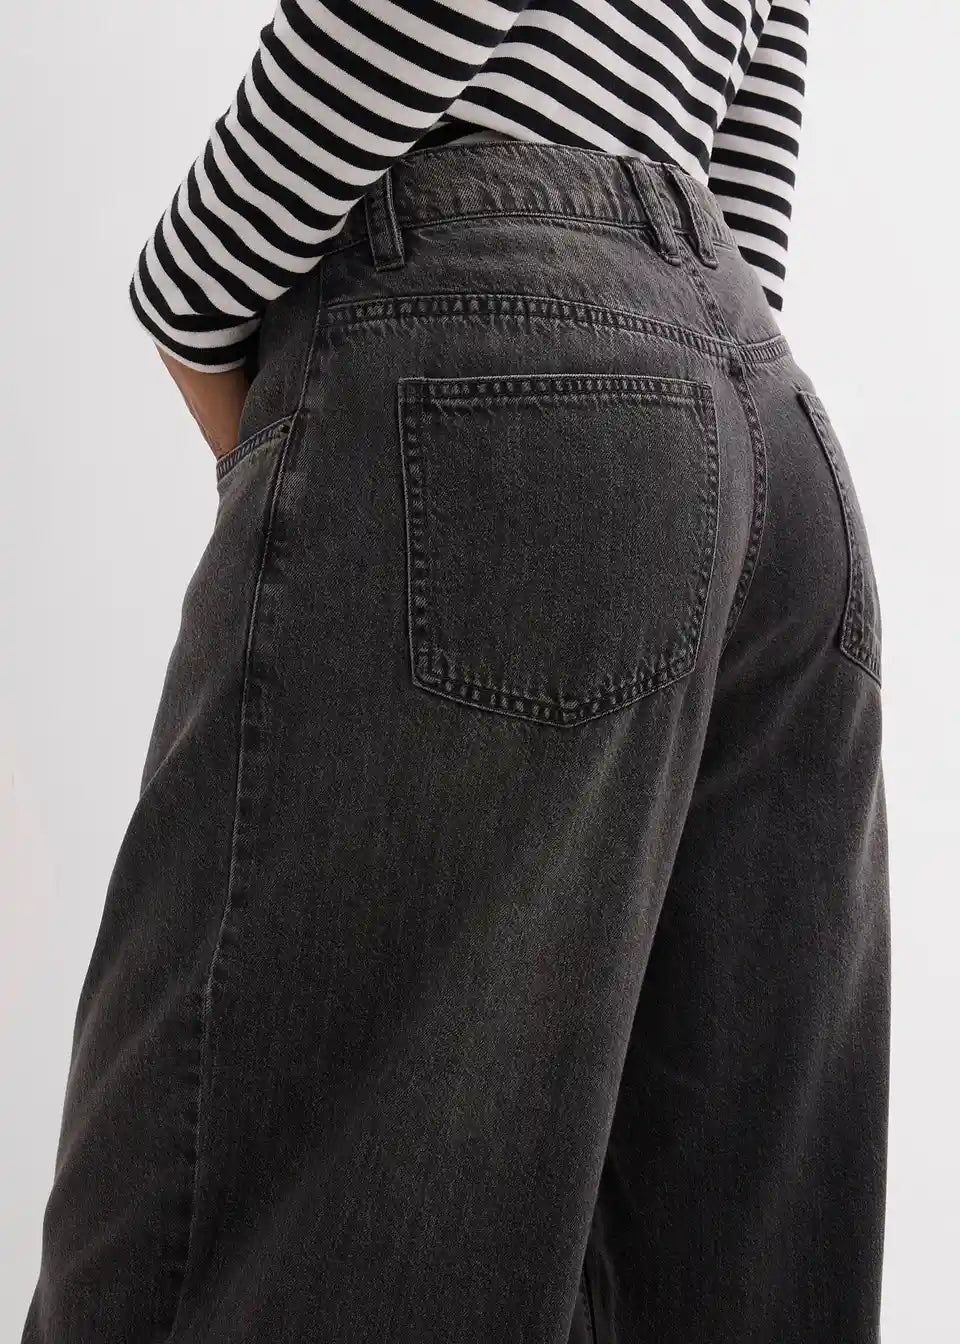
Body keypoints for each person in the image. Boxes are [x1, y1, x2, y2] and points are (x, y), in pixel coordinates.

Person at [23, 3, 890, 1342]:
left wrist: (189, 290)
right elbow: (748, 168)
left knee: (227, 1246)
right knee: (708, 1270)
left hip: (509, 364)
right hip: (765, 448)